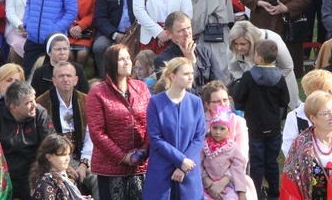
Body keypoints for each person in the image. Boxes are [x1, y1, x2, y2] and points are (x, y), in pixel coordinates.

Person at [87, 44, 150, 198]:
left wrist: (143, 151)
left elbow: (152, 123)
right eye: (121, 59)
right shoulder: (97, 93)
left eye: (128, 58)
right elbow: (97, 132)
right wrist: (123, 157)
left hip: (140, 166)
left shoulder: (141, 88)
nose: (127, 62)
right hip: (110, 167)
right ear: (111, 63)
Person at [232, 39, 289, 199]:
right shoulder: (279, 77)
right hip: (274, 127)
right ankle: (274, 193)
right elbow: (284, 101)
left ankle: (255, 192)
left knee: (256, 162)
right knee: (271, 161)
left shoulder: (249, 76)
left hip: (254, 126)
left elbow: (238, 99)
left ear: (259, 58)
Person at [143, 57, 205, 198]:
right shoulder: (155, 103)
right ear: (173, 76)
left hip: (189, 172)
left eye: (191, 73)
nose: (191, 77)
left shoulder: (196, 102)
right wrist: (180, 160)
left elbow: (199, 137)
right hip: (161, 172)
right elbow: (156, 139)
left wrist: (184, 165)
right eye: (185, 74)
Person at [0, 81, 55, 199]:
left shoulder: (40, 113)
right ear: (13, 107)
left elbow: (49, 144)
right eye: (28, 103)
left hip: (32, 170)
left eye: (34, 100)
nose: (34, 105)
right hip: (4, 172)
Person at [34, 62, 95, 195]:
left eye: (69, 75)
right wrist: (64, 165)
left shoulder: (87, 100)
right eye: (61, 76)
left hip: (85, 155)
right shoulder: (42, 102)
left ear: (76, 80)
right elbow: (45, 139)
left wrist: (84, 164)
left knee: (97, 178)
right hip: (57, 156)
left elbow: (91, 135)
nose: (65, 79)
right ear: (54, 81)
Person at [154, 12, 225, 93]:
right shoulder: (163, 60)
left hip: (210, 102)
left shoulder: (205, 52)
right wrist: (191, 64)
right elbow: (173, 93)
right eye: (181, 30)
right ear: (169, 34)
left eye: (188, 28)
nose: (187, 33)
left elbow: (219, 85)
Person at [192, 0, 233, 78]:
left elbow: (198, 20)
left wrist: (192, 34)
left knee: (210, 72)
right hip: (224, 34)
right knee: (225, 72)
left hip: (209, 36)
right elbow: (230, 15)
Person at [200, 105, 250, 200]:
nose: (218, 132)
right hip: (206, 184)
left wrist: (241, 192)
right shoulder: (204, 145)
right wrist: (205, 179)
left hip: (228, 186)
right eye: (215, 128)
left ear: (228, 132)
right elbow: (198, 163)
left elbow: (238, 168)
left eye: (222, 129)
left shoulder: (232, 147)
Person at [29, 134, 87, 200]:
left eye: (68, 154)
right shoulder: (45, 182)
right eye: (62, 155)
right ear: (49, 157)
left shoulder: (69, 176)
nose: (67, 158)